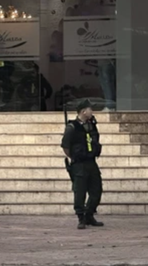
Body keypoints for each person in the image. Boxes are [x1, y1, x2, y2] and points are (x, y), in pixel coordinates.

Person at [61, 98, 104, 229]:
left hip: (91, 162)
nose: (92, 111)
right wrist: (74, 157)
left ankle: (89, 214)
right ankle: (81, 217)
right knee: (80, 192)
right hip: (79, 164)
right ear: (83, 111)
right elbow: (65, 147)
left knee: (96, 190)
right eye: (90, 109)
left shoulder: (91, 125)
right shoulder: (72, 127)